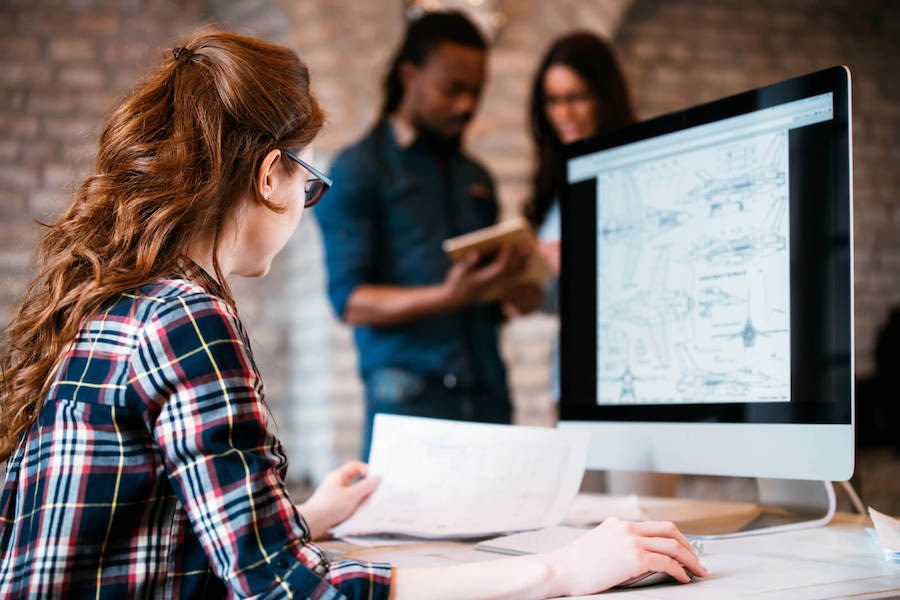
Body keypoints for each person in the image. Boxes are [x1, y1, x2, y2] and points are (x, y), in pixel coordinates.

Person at [0, 27, 706, 599]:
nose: (307, 206)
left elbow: (143, 540)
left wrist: (305, 517)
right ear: (270, 173)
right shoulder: (186, 318)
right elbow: (286, 589)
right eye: (308, 185)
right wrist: (564, 571)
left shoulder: (123, 301)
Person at [315, 10, 541, 461]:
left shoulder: (475, 175)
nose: (466, 105)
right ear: (409, 76)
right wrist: (447, 297)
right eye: (452, 89)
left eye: (476, 91)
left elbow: (482, 295)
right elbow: (350, 301)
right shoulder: (358, 169)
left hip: (490, 398)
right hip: (409, 404)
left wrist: (511, 294)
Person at [525, 32, 678, 497]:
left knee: (642, 513)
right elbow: (563, 297)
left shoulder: (645, 169)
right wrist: (527, 287)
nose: (564, 114)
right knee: (580, 517)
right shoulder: (557, 178)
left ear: (604, 96)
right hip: (572, 372)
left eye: (576, 98)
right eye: (552, 101)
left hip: (637, 370)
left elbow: (664, 275)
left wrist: (586, 264)